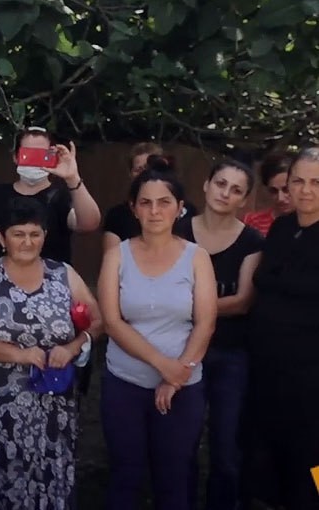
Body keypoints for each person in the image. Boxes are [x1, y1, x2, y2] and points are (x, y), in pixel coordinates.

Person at [0, 197, 102, 510]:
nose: (27, 241)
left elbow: (96, 320)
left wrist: (72, 347)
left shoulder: (63, 274)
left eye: (35, 234)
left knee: (45, 476)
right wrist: (20, 355)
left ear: (44, 236)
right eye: (18, 234)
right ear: (2, 238)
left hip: (51, 406)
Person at [97, 155, 217, 510]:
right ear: (133, 209)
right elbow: (112, 321)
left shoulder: (197, 257)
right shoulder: (116, 256)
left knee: (174, 477)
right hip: (125, 383)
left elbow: (206, 322)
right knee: (125, 474)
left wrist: (177, 376)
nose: (154, 211)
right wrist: (164, 366)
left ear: (180, 208)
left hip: (183, 385)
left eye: (164, 202)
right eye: (145, 202)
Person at [184, 160, 263, 510]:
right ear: (206, 185)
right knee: (182, 443)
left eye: (236, 190)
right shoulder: (177, 230)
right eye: (220, 183)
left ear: (244, 200)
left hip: (230, 354)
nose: (225, 193)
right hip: (181, 351)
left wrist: (187, 307)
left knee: (226, 447)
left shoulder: (252, 241)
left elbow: (242, 301)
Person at [244, 147, 319, 509]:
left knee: (313, 458)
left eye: (316, 182)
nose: (306, 190)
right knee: (271, 455)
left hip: (312, 377)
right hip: (269, 369)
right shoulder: (281, 228)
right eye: (298, 181)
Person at [0, 127, 100, 271]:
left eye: (41, 155)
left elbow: (89, 224)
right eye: (28, 154)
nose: (34, 161)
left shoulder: (61, 197)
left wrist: (73, 178)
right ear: (15, 157)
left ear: (53, 157)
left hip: (51, 284)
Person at [102, 144, 196, 250]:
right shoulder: (117, 215)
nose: (154, 211)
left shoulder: (188, 210)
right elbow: (111, 253)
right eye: (139, 169)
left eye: (150, 168)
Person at [242, 151, 293, 236]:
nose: (280, 198)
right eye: (274, 191)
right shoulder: (253, 222)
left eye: (286, 189)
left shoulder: (310, 223)